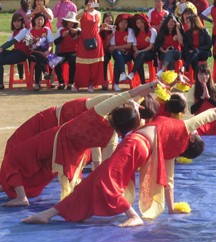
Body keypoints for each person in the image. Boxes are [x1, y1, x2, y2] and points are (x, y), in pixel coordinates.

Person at [22, 100, 216, 227]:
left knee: (105, 180)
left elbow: (211, 113)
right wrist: (172, 207)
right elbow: (170, 182)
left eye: (196, 136)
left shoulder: (183, 131)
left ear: (191, 141)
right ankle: (50, 213)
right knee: (95, 180)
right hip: (132, 145)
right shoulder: (171, 146)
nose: (195, 132)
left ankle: (133, 216)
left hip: (134, 146)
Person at [1, 82, 158, 207]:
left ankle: (21, 196)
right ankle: (18, 188)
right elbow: (105, 166)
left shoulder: (98, 111)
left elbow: (124, 96)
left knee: (14, 156)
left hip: (56, 138)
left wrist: (151, 85)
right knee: (42, 167)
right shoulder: (111, 138)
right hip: (72, 154)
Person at [74, 0, 104, 92]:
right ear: (87, 1)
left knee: (95, 64)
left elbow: (98, 26)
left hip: (96, 40)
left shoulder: (98, 13)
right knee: (81, 63)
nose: (92, 2)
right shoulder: (83, 11)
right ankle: (78, 84)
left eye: (94, 1)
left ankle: (92, 84)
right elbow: (75, 18)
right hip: (84, 40)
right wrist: (86, 9)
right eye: (90, 0)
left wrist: (102, 28)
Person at [0, 13, 30, 90]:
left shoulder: (24, 30)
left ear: (22, 22)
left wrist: (1, 48)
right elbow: (8, 42)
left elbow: (12, 42)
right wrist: (1, 48)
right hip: (15, 52)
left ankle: (0, 84)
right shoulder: (15, 31)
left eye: (18, 21)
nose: (16, 23)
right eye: (14, 21)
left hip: (22, 54)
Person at [126, 14, 157, 84]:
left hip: (150, 53)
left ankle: (133, 73)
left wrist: (140, 52)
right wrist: (137, 51)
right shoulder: (135, 32)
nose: (140, 24)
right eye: (138, 23)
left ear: (145, 22)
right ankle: (143, 82)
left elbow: (151, 46)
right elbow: (134, 46)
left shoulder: (152, 31)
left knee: (141, 55)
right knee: (139, 58)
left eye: (141, 22)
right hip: (140, 53)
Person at [28, 13, 54, 91]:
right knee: (37, 57)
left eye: (42, 19)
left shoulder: (47, 29)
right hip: (34, 52)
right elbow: (29, 47)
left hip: (45, 52)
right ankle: (45, 72)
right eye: (38, 19)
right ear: (34, 20)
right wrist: (40, 52)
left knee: (39, 60)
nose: (40, 21)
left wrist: (47, 51)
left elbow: (50, 43)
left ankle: (37, 83)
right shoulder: (30, 31)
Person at [54, 11, 80, 91]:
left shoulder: (78, 30)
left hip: (74, 52)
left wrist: (78, 33)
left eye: (73, 22)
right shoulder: (61, 30)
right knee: (55, 62)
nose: (71, 24)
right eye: (69, 22)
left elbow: (84, 38)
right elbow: (55, 42)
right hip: (63, 52)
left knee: (73, 60)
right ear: (66, 22)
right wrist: (62, 36)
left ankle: (70, 82)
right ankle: (61, 82)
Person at [109, 14, 134, 91]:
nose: (123, 24)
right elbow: (112, 46)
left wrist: (118, 48)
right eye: (122, 22)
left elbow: (129, 46)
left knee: (117, 61)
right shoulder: (114, 31)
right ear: (118, 23)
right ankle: (122, 74)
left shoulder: (130, 31)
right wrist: (120, 49)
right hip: (117, 53)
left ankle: (116, 83)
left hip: (128, 54)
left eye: (125, 22)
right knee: (118, 54)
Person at [154, 13, 185, 78]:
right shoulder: (162, 32)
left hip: (177, 53)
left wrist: (177, 29)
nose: (171, 23)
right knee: (171, 60)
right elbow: (158, 45)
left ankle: (162, 70)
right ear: (166, 22)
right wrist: (164, 51)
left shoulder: (178, 31)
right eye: (169, 21)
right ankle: (170, 80)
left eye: (173, 22)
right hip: (164, 53)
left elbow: (181, 42)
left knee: (171, 52)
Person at [99, 12, 115, 91]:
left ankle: (105, 81)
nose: (108, 23)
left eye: (110, 21)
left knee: (105, 60)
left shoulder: (113, 30)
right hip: (99, 51)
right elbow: (98, 43)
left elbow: (111, 46)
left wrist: (109, 40)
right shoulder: (99, 29)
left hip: (108, 51)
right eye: (107, 21)